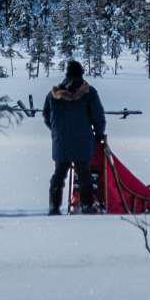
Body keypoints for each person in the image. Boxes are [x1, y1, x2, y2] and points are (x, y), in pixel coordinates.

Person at [41, 59, 106, 215]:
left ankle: (54, 207)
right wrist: (98, 135)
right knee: (84, 175)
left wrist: (56, 131)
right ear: (81, 73)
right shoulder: (88, 92)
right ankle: (86, 205)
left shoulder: (53, 94)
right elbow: (98, 117)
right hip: (82, 141)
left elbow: (46, 116)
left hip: (60, 142)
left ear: (67, 74)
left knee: (59, 175)